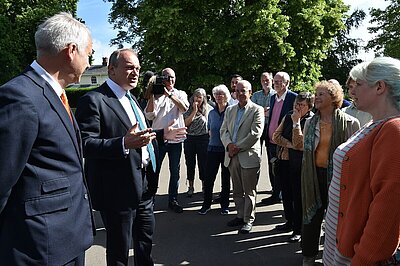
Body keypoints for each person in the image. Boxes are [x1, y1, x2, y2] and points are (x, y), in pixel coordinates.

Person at [75, 49, 186, 266]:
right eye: (129, 67)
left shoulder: (131, 98)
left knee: (144, 244)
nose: (135, 73)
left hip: (143, 186)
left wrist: (163, 134)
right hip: (116, 191)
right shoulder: (94, 100)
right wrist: (123, 143)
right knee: (119, 250)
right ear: (112, 69)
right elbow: (85, 145)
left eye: (137, 68)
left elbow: (140, 136)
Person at [0, 12, 94, 265]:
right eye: (88, 53)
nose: (89, 61)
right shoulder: (20, 97)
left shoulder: (55, 95)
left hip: (69, 238)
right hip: (39, 249)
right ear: (71, 51)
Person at [323, 57, 400, 265]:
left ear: (380, 87)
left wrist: (364, 258)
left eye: (358, 84)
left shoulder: (394, 130)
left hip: (353, 253)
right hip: (342, 241)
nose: (352, 90)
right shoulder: (375, 124)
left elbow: (388, 209)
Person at [299, 80, 359, 265]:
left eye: (321, 94)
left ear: (333, 98)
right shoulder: (310, 122)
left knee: (336, 219)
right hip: (313, 176)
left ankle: (334, 256)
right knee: (311, 217)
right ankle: (309, 256)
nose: (316, 97)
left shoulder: (350, 123)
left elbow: (354, 155)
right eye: (316, 94)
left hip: (339, 177)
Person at [220, 80, 264, 234]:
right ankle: (239, 215)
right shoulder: (230, 110)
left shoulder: (257, 110)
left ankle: (248, 219)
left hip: (248, 156)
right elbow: (223, 130)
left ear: (250, 92)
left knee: (249, 191)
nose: (240, 94)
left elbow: (255, 133)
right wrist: (229, 146)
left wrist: (236, 147)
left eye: (243, 91)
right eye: (237, 91)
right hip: (232, 156)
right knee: (237, 190)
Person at [144, 68, 189, 213]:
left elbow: (184, 108)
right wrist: (151, 94)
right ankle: (150, 199)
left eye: (173, 77)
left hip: (176, 139)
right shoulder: (156, 95)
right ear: (162, 78)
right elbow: (150, 115)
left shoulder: (180, 93)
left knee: (174, 171)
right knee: (154, 170)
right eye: (167, 77)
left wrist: (169, 95)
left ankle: (173, 200)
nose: (170, 80)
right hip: (159, 138)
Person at [272, 92, 314, 242]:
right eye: (296, 104)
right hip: (284, 160)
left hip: (299, 164)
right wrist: (290, 145)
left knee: (298, 197)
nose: (297, 107)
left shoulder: (311, 120)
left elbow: (300, 144)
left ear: (309, 107)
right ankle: (289, 222)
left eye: (302, 105)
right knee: (287, 195)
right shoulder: (288, 115)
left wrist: (296, 123)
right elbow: (275, 136)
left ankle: (298, 229)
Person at [262, 71, 297, 205]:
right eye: (274, 81)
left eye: (278, 81)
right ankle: (275, 194)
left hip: (284, 142)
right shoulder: (273, 98)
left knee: (284, 172)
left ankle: (285, 197)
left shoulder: (293, 98)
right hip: (270, 141)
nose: (275, 84)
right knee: (273, 170)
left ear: (286, 83)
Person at [198, 85, 231, 215]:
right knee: (209, 177)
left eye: (221, 94)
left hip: (226, 150)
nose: (218, 96)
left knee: (225, 178)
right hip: (212, 148)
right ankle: (206, 204)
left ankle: (224, 205)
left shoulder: (231, 110)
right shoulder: (211, 113)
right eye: (216, 94)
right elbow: (209, 130)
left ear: (226, 96)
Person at [183, 88, 212, 196]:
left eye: (200, 97)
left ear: (204, 98)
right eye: (196, 96)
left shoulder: (209, 109)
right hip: (190, 138)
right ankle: (190, 186)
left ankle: (204, 186)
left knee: (203, 163)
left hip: (204, 139)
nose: (198, 99)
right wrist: (194, 111)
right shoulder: (188, 109)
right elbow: (185, 124)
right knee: (190, 163)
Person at [251, 72, 276, 147]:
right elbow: (251, 110)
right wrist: (263, 111)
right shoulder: (255, 95)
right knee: (256, 149)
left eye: (267, 80)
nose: (265, 82)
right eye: (263, 80)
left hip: (271, 125)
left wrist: (268, 110)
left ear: (272, 81)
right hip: (258, 125)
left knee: (271, 150)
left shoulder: (276, 95)